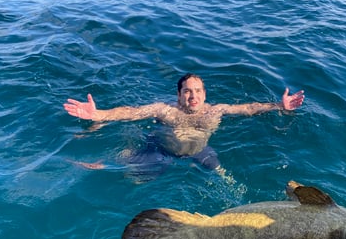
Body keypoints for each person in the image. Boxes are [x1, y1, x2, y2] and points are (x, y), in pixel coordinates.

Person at [64, 73, 305, 179]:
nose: (193, 96)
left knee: (225, 178)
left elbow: (248, 108)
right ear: (179, 95)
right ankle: (107, 161)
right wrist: (99, 114)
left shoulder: (216, 110)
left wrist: (278, 106)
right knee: (132, 178)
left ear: (204, 93)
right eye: (187, 91)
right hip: (162, 150)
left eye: (198, 91)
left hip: (200, 150)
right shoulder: (165, 110)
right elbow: (131, 112)